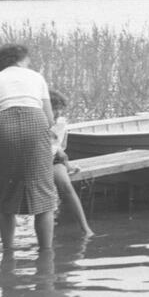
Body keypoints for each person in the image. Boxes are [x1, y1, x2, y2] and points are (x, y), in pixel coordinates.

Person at [0, 43, 56, 250]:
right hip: (35, 120)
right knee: (44, 194)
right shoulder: (36, 77)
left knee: (5, 189)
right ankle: (46, 252)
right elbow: (49, 119)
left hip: (3, 124)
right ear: (20, 60)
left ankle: (8, 250)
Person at [48, 91, 94, 238]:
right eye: (54, 108)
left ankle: (85, 228)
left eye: (60, 108)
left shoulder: (61, 122)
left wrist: (63, 158)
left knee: (65, 185)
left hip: (54, 159)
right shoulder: (36, 121)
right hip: (38, 159)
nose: (58, 112)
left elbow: (59, 145)